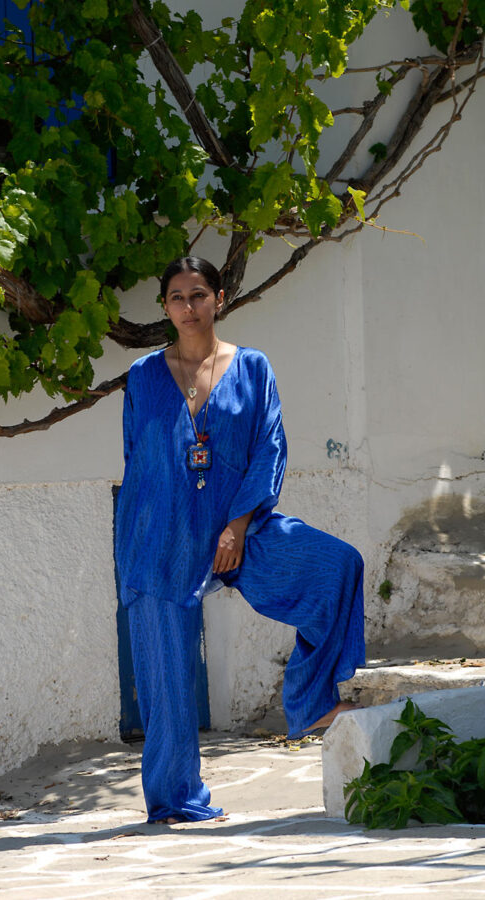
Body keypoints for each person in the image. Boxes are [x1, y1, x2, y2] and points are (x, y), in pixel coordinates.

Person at [115, 256, 365, 824]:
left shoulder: (252, 368)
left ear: (218, 299)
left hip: (241, 526)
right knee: (167, 676)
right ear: (165, 307)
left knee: (335, 566)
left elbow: (269, 448)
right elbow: (140, 460)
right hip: (162, 534)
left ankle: (313, 699)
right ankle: (175, 800)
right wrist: (154, 537)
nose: (187, 306)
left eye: (198, 294)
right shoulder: (143, 376)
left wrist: (238, 523)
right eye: (176, 296)